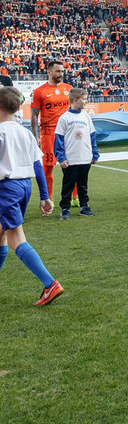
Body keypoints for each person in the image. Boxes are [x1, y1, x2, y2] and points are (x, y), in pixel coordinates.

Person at [0, 86, 63, 305]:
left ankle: (50, 284)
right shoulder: (24, 131)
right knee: (2, 233)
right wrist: (44, 196)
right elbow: (38, 164)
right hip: (23, 186)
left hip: (6, 188)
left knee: (16, 236)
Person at [30, 60, 73, 198]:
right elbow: (34, 116)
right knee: (48, 167)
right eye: (58, 71)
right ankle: (48, 198)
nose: (61, 74)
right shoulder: (39, 91)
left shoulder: (69, 88)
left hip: (68, 132)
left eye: (62, 71)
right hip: (49, 133)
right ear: (49, 72)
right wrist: (35, 136)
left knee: (72, 165)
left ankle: (75, 197)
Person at [53, 87, 99, 219]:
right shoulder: (64, 118)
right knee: (68, 185)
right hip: (71, 159)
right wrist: (61, 158)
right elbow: (59, 140)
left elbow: (92, 136)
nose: (86, 102)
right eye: (84, 99)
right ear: (75, 100)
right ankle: (65, 208)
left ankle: (84, 206)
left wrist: (94, 154)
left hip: (85, 158)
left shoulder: (86, 117)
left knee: (83, 184)